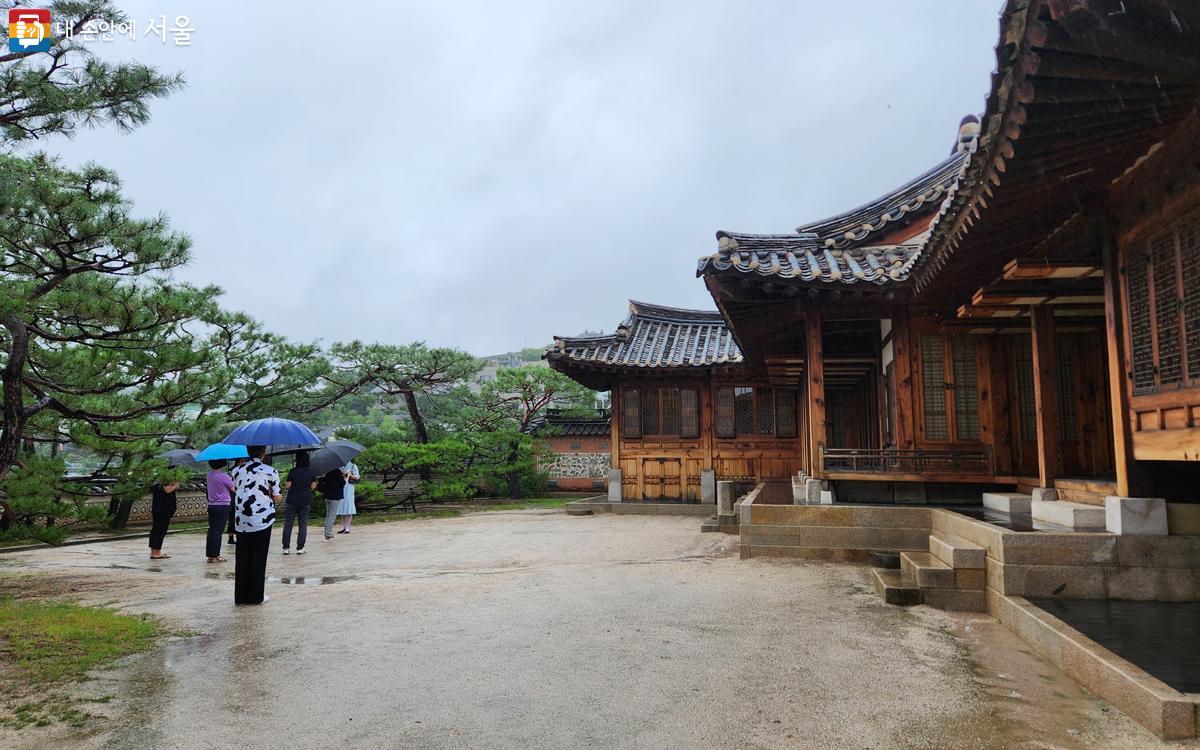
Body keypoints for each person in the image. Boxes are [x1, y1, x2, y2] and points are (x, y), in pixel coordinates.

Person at [232, 446, 281, 605]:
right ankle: (256, 596)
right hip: (262, 518)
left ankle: (240, 596)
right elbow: (278, 497)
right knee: (259, 557)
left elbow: (237, 488)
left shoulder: (236, 470)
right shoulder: (270, 471)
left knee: (242, 557)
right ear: (263, 452)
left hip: (241, 519)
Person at [281, 451, 317, 555]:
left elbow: (287, 486)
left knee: (288, 524)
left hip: (292, 500)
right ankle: (300, 548)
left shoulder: (292, 471)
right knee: (303, 524)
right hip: (305, 500)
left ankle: (286, 548)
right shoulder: (311, 472)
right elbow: (313, 486)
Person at [205, 460, 235, 562]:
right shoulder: (224, 476)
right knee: (218, 531)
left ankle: (210, 554)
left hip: (212, 505)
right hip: (222, 505)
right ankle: (215, 555)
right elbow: (233, 488)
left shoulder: (209, 475)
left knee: (212, 529)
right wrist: (230, 479)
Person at [148, 481, 179, 559]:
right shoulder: (166, 477)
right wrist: (176, 484)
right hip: (164, 509)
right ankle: (157, 552)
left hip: (158, 508)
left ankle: (153, 552)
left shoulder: (158, 478)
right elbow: (167, 490)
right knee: (160, 530)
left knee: (155, 529)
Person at [319, 467, 346, 542]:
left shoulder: (328, 472)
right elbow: (343, 483)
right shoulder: (338, 472)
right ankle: (328, 535)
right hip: (335, 497)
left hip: (328, 496)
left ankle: (327, 533)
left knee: (328, 515)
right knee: (332, 516)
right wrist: (343, 476)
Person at [337, 461, 360, 534]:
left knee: (349, 506)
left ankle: (347, 527)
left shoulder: (353, 466)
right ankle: (343, 526)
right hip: (341, 487)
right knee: (342, 506)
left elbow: (357, 477)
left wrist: (349, 475)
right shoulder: (339, 466)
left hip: (349, 487)